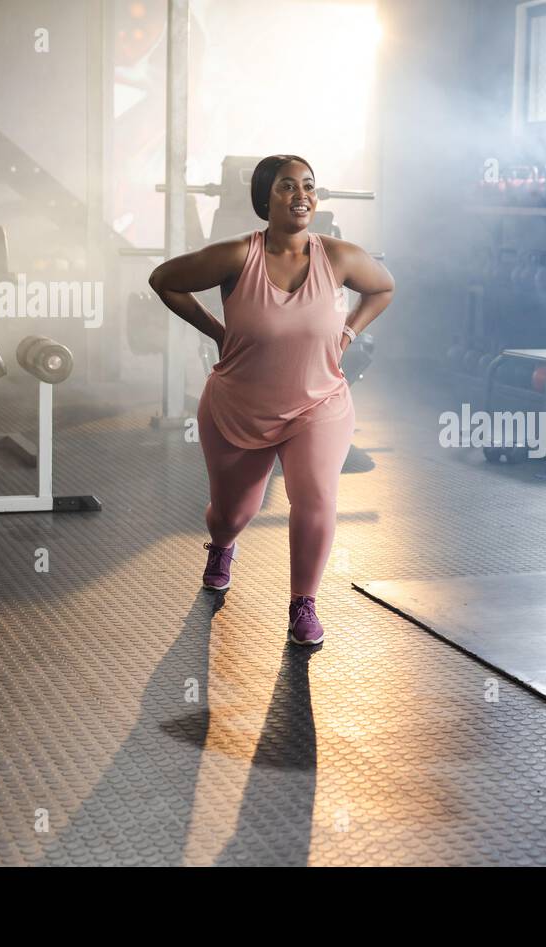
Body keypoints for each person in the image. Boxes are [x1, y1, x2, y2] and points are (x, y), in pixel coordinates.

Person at [149, 155, 394, 645]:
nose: (301, 194)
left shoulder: (339, 257)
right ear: (265, 199)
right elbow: (164, 280)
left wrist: (347, 332)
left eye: (308, 185)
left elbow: (383, 288)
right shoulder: (238, 255)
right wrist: (217, 332)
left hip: (318, 404)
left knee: (317, 497)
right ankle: (221, 546)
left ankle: (303, 603)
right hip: (239, 405)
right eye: (287, 187)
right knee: (233, 512)